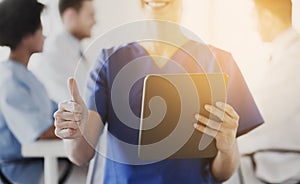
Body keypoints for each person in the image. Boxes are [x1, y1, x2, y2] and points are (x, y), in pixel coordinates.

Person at [54, 0, 263, 183]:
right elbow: (80, 154)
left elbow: (222, 174)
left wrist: (227, 148)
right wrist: (73, 133)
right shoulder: (110, 62)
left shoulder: (219, 62)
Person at [238, 0, 300, 183]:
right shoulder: (284, 53)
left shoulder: (294, 59)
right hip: (273, 157)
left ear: (267, 18)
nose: (253, 26)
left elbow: (262, 112)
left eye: (253, 16)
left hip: (283, 163)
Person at [0, 0, 58, 183]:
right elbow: (41, 131)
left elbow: (56, 114)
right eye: (41, 27)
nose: (44, 35)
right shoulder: (9, 79)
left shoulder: (26, 76)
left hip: (38, 166)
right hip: (18, 175)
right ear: (26, 35)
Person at [29, 0, 96, 103]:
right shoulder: (52, 54)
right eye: (90, 15)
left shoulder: (75, 49)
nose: (94, 21)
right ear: (71, 16)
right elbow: (67, 101)